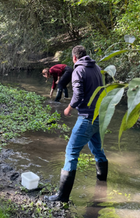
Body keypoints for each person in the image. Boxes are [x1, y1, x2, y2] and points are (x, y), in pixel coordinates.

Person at [46, 45, 109, 203]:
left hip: (86, 118)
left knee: (71, 153)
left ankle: (62, 197)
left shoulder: (78, 70)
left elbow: (79, 95)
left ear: (74, 58)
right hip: (98, 116)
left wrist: (69, 107)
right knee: (98, 151)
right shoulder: (97, 68)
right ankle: (101, 186)